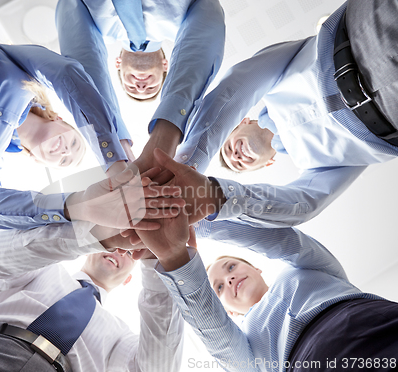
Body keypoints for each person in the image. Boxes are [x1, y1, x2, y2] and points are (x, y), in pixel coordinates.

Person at [0, 0, 183, 230]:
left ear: (40, 160)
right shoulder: (23, 73)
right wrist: (114, 160)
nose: (63, 151)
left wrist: (79, 206)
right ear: (61, 119)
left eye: (63, 160)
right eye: (73, 143)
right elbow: (67, 73)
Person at [165, 0, 398, 227]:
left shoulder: (272, 85)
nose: (235, 157)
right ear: (268, 164)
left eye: (228, 149)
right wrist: (214, 195)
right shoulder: (316, 167)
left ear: (241, 122)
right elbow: (304, 205)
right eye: (238, 166)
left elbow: (235, 87)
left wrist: (189, 163)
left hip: (365, 30)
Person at [0, 222, 185, 372]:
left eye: (128, 254)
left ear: (129, 280)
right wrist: (102, 233)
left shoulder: (123, 336)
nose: (120, 251)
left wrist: (158, 260)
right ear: (89, 251)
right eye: (119, 246)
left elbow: (158, 366)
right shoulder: (45, 268)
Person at [137, 209, 398, 371]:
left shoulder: (303, 269)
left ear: (257, 269)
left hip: (377, 323)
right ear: (227, 309)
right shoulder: (245, 338)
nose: (229, 279)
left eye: (230, 267)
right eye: (218, 287)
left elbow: (286, 241)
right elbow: (215, 332)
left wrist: (198, 222)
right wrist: (177, 258)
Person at [56, 0, 225, 172]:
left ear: (118, 65)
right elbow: (209, 15)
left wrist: (113, 140)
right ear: (166, 65)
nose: (142, 87)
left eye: (132, 88)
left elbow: (79, 53)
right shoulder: (187, 17)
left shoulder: (94, 23)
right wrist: (168, 127)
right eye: (152, 88)